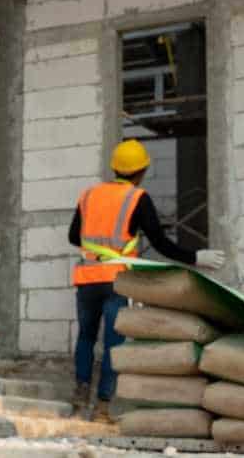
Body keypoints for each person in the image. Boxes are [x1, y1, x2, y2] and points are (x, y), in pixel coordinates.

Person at [66, 139, 225, 422]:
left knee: (86, 337)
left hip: (87, 277)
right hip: (117, 280)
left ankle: (80, 401)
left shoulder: (89, 195)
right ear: (141, 171)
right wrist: (195, 257)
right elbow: (161, 243)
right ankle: (102, 408)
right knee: (114, 343)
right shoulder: (137, 198)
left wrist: (99, 247)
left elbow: (73, 237)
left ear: (114, 167)